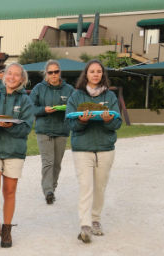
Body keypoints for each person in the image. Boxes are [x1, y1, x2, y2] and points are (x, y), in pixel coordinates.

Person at [0, 62, 34, 248]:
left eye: (16, 75)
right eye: (9, 73)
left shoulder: (25, 101)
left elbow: (26, 128)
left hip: (14, 150)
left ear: (22, 80)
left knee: (9, 191)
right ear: (3, 76)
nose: (11, 77)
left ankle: (7, 228)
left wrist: (10, 126)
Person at [66, 59, 122, 244]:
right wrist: (81, 120)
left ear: (102, 75)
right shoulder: (76, 97)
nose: (96, 74)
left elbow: (117, 123)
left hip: (105, 148)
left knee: (100, 187)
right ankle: (85, 225)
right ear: (86, 74)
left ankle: (96, 219)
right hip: (83, 148)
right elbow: (70, 123)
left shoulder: (110, 97)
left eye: (99, 71)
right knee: (86, 187)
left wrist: (108, 120)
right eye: (92, 71)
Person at [29, 60, 74, 205]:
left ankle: (52, 188)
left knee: (57, 163)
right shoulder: (38, 88)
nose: (53, 75)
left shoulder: (69, 89)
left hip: (62, 130)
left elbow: (74, 108)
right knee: (48, 162)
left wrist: (66, 109)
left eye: (56, 72)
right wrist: (44, 110)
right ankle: (48, 190)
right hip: (44, 130)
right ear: (46, 74)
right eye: (50, 72)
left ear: (60, 72)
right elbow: (31, 108)